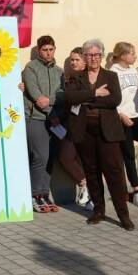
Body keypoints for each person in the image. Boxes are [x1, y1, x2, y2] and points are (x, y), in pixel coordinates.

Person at [63, 40, 133, 229]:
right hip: (84, 131)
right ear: (84, 56)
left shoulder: (110, 76)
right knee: (91, 172)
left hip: (107, 131)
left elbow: (114, 100)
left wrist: (88, 100)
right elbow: (70, 98)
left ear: (101, 56)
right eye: (89, 55)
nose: (93, 58)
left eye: (96, 55)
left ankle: (123, 215)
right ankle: (99, 210)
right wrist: (95, 93)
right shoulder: (75, 77)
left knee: (114, 173)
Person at [107, 42, 138, 208]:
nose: (135, 56)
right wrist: (121, 115)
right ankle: (137, 190)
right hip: (122, 116)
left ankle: (135, 190)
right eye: (132, 53)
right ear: (122, 55)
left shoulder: (134, 71)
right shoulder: (113, 72)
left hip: (137, 114)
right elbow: (111, 98)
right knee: (128, 154)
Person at [22, 35, 62, 213]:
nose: (48, 53)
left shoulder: (59, 71)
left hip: (55, 119)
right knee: (40, 156)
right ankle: (35, 194)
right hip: (35, 118)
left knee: (50, 157)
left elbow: (61, 95)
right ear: (39, 50)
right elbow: (35, 94)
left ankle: (45, 192)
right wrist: (47, 106)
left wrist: (51, 103)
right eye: (44, 50)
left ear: (54, 49)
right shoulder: (31, 68)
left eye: (51, 49)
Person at [49, 48, 90, 208]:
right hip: (68, 125)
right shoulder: (68, 79)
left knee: (85, 159)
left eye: (76, 60)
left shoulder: (87, 79)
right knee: (65, 155)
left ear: (84, 62)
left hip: (84, 125)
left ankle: (89, 195)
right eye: (71, 60)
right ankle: (84, 184)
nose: (73, 62)